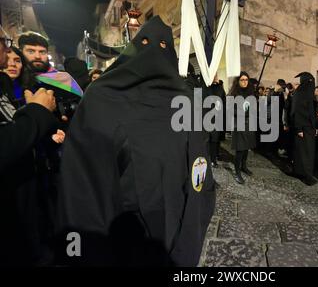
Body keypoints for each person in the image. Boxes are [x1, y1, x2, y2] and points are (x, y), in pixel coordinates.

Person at [55, 16, 215, 267]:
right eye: (146, 43)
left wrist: (196, 221)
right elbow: (83, 182)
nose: (154, 52)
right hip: (124, 228)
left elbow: (199, 166)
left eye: (163, 46)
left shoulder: (187, 101)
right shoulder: (103, 97)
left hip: (175, 219)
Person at [1, 26, 60, 266]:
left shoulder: (58, 79)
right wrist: (38, 114)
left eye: (42, 51)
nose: (37, 56)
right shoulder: (11, 86)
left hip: (44, 171)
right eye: (30, 51)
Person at [291, 72, 318, 186]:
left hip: (309, 127)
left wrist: (314, 126)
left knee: (305, 152)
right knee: (305, 153)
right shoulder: (300, 93)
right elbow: (295, 112)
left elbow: (311, 112)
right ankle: (307, 176)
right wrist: (299, 129)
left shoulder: (307, 93)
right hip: (303, 128)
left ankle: (300, 172)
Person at [229, 72, 257, 185]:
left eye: (246, 80)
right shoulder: (233, 94)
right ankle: (237, 172)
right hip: (238, 124)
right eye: (242, 80)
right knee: (240, 149)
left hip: (249, 124)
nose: (244, 82)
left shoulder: (251, 93)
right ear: (238, 81)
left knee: (246, 148)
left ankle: (244, 166)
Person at [208, 75, 226, 167]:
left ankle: (213, 159)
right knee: (206, 140)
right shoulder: (205, 86)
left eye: (216, 75)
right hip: (205, 118)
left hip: (217, 118)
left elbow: (224, 104)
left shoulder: (220, 89)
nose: (215, 76)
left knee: (214, 141)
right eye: (213, 74)